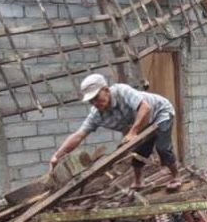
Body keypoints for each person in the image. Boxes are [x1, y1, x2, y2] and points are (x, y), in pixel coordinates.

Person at [49, 74, 179, 189]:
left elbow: (145, 107)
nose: (95, 102)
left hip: (160, 112)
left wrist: (133, 132)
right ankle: (138, 182)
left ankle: (175, 177)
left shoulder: (121, 91)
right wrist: (57, 156)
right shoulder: (96, 115)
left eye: (96, 97)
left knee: (162, 148)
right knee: (139, 151)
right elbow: (78, 136)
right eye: (91, 101)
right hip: (142, 123)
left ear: (106, 90)